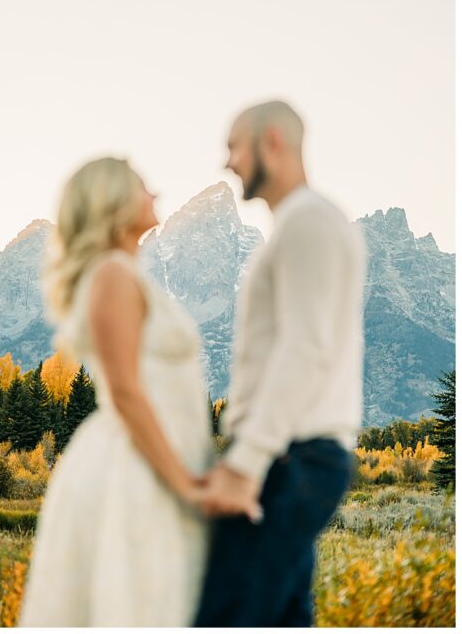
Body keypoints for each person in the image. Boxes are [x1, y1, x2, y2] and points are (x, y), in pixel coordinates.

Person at [18, 157, 215, 627]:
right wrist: (185, 485)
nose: (156, 192)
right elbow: (126, 391)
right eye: (142, 185)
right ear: (112, 202)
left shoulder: (122, 273)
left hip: (157, 461)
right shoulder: (112, 274)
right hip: (136, 470)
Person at [194, 100, 365, 626]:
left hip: (288, 461)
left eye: (233, 146)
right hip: (297, 458)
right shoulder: (305, 223)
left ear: (272, 141)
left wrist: (247, 463)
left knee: (226, 617)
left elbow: (304, 348)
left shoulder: (308, 223)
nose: (228, 162)